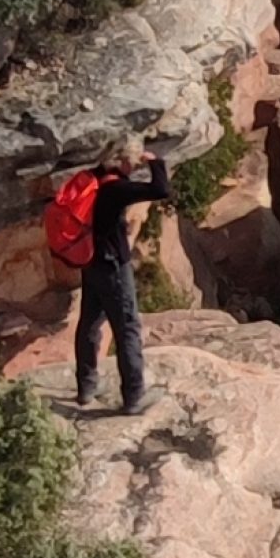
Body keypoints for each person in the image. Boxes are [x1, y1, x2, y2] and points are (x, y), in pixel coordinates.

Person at [74, 147, 169, 413]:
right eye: (131, 158)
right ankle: (134, 396)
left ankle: (86, 387)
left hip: (91, 263)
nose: (133, 163)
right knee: (127, 327)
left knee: (90, 325)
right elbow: (161, 190)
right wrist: (156, 162)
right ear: (120, 162)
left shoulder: (93, 181)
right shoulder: (115, 191)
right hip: (113, 267)